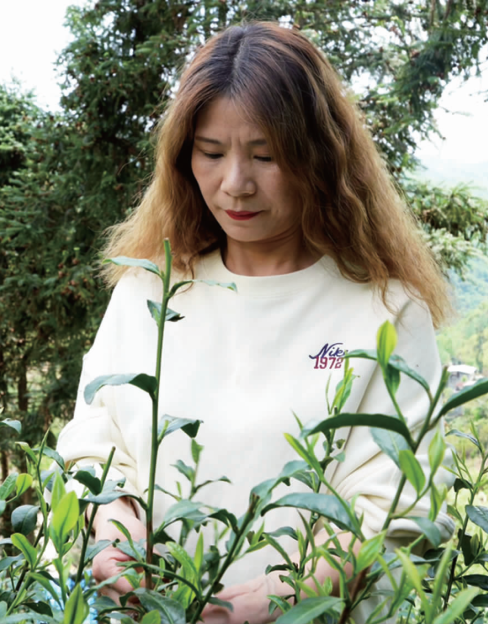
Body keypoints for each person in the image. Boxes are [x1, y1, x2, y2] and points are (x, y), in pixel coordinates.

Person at [55, 21, 455, 624]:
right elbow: (91, 446)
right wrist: (110, 533)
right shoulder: (149, 290)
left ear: (320, 158)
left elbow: (405, 502)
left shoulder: (384, 311)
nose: (234, 184)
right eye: (211, 154)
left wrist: (294, 594)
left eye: (265, 156)